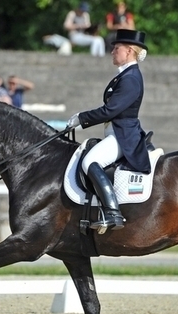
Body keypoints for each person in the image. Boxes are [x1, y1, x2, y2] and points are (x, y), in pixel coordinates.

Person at [66, 29, 150, 231]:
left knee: (90, 162)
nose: (112, 51)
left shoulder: (130, 78)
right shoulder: (125, 76)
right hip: (116, 133)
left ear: (129, 51)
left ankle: (113, 213)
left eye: (117, 47)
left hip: (123, 136)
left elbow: (110, 110)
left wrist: (81, 118)